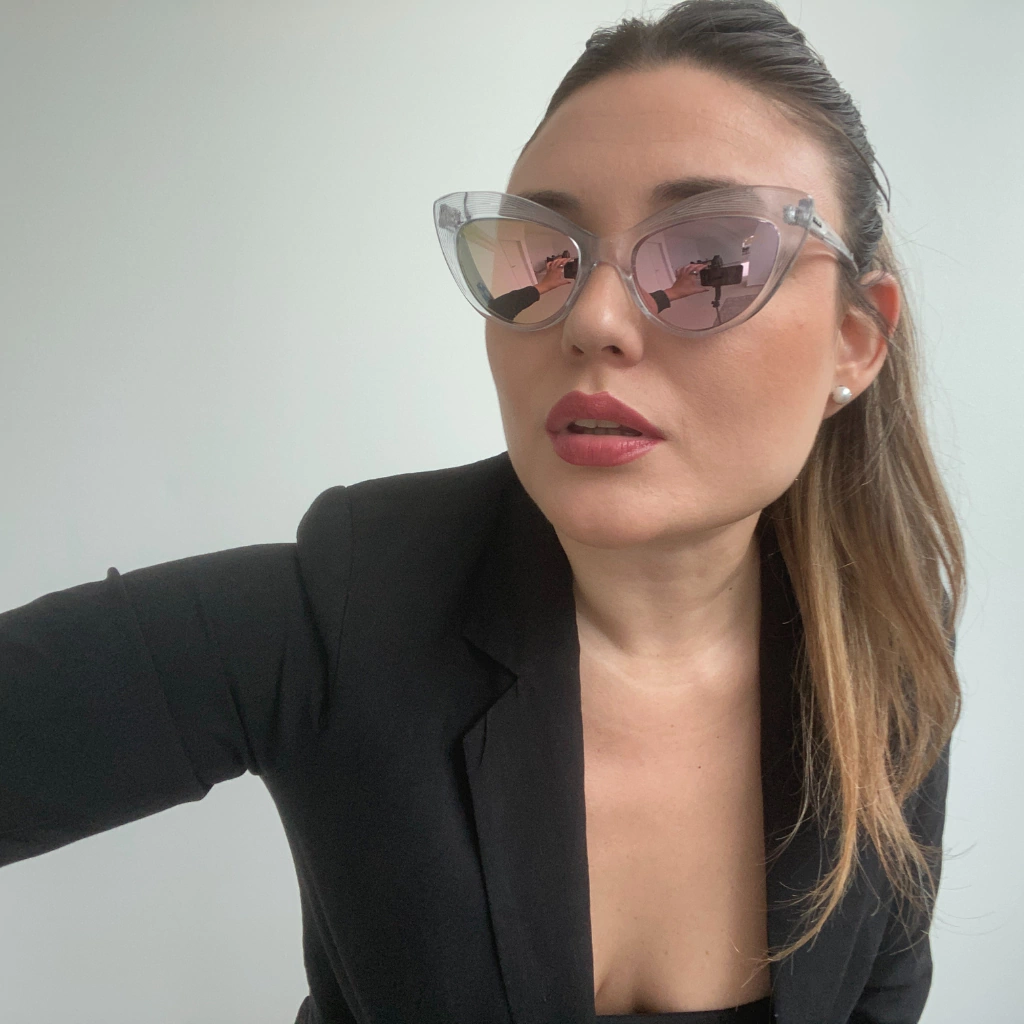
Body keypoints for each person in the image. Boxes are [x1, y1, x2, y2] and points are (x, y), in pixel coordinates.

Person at [0, 1, 964, 1022]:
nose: (591, 318)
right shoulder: (352, 606)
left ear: (855, 340)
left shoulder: (885, 637)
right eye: (543, 258)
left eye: (709, 260)